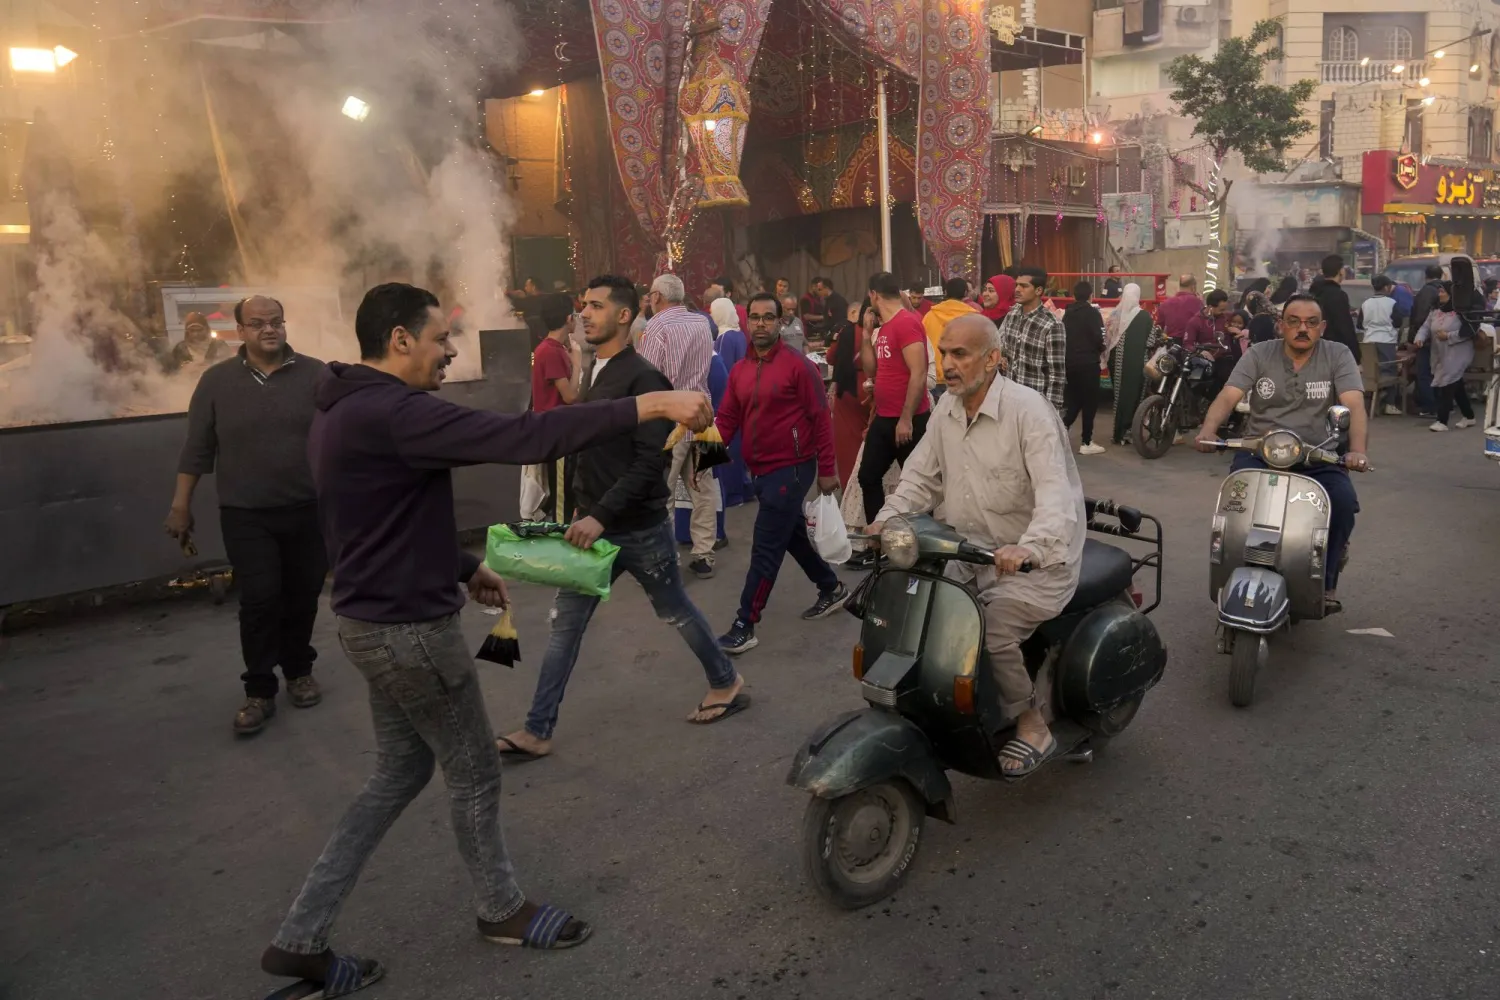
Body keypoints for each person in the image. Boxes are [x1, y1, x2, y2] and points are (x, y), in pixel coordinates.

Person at [261, 281, 713, 991]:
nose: (449, 351)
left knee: (397, 774)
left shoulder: (345, 409)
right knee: (473, 770)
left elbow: (378, 516)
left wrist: (462, 565)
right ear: (401, 339)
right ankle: (500, 907)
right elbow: (522, 437)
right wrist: (654, 404)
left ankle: (301, 935)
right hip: (409, 631)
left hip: (371, 620)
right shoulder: (391, 411)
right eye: (439, 338)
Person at [500, 275, 748, 756]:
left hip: (636, 528)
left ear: (624, 314)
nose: (585, 314)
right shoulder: (594, 370)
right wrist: (579, 503)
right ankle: (538, 729)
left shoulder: (643, 378)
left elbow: (648, 462)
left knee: (675, 610)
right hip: (593, 522)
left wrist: (601, 516)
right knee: (566, 628)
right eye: (583, 305)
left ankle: (726, 681)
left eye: (595, 305)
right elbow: (587, 445)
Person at [871, 313, 1085, 776]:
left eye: (959, 354)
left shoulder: (1029, 413)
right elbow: (918, 480)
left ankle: (1032, 725)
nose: (947, 364)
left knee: (988, 627)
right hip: (970, 555)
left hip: (1038, 565)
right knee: (916, 611)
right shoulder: (945, 410)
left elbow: (1056, 496)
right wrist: (886, 521)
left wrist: (1029, 548)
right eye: (943, 353)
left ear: (992, 360)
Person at [165, 296, 328, 736]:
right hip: (246, 512)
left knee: (302, 594)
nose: (268, 330)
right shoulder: (216, 382)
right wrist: (181, 504)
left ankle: (297, 670)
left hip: (308, 508)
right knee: (259, 597)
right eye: (257, 323)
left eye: (276, 321)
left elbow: (344, 432)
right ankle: (259, 689)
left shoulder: (317, 375)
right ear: (240, 330)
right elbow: (197, 447)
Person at [1195, 294, 1368, 611]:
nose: (1303, 329)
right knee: (1234, 506)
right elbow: (1229, 395)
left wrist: (1356, 450)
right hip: (1260, 451)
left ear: (1322, 327)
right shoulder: (1260, 354)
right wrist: (1209, 430)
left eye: (1311, 323)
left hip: (1317, 455)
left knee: (1342, 504)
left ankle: (1326, 581)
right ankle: (1230, 572)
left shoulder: (1337, 355)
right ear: (1281, 325)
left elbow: (1354, 404)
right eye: (1294, 321)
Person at [714, 293, 848, 653]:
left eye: (767, 317)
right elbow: (727, 419)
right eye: (754, 317)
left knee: (766, 547)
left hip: (792, 469)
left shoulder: (798, 366)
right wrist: (702, 461)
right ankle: (831, 587)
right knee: (790, 534)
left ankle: (746, 622)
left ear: (778, 322)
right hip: (759, 470)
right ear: (746, 322)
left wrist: (827, 471)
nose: (760, 323)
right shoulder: (740, 370)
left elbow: (821, 419)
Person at [640, 273, 720, 578]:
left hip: (669, 418)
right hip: (702, 411)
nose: (648, 300)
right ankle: (704, 553)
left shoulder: (656, 326)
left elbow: (648, 377)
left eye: (650, 295)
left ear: (658, 297)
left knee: (662, 491)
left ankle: (666, 557)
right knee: (704, 486)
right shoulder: (702, 322)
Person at [858, 271, 931, 525]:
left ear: (873, 295)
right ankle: (880, 538)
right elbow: (872, 371)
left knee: (918, 487)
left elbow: (919, 372)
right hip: (884, 417)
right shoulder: (886, 326)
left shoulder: (906, 322)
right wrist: (867, 335)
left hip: (908, 420)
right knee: (867, 476)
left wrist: (906, 418)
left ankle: (922, 550)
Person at [530, 294, 584, 520]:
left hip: (556, 429)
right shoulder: (551, 351)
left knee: (564, 492)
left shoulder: (551, 348)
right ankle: (561, 545)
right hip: (557, 432)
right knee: (562, 497)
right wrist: (578, 362)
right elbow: (570, 396)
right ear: (567, 318)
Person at [996, 266, 1066, 411]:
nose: (1017, 289)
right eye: (1016, 285)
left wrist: (1052, 411)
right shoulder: (1012, 315)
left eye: (1024, 286)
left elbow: (1057, 373)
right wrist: (1003, 357)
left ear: (1038, 290)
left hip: (1035, 404)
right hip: (1009, 399)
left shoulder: (1052, 324)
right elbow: (1005, 350)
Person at [1414, 282, 1477, 432]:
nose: (1439, 294)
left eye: (1443, 292)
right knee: (1456, 384)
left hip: (1458, 352)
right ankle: (1469, 416)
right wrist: (1420, 337)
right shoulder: (1436, 311)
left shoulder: (1462, 312)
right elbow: (1426, 327)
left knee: (1447, 385)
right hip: (1440, 353)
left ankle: (1442, 420)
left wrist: (1448, 336)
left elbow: (1469, 331)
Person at [829, 301, 872, 490]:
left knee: (848, 448)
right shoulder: (885, 331)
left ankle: (851, 492)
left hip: (848, 390)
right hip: (874, 388)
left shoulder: (846, 331)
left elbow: (831, 357)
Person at [1108, 283, 1157, 446]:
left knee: (1119, 397)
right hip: (1137, 364)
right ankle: (1129, 431)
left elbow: (1107, 338)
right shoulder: (1144, 316)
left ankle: (1117, 434)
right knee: (1135, 396)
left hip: (1116, 363)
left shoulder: (1115, 314)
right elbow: (1150, 342)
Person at [1061, 280, 1106, 455]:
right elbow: (1099, 335)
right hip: (1088, 362)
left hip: (1070, 362)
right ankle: (1086, 441)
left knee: (1074, 399)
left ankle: (1062, 429)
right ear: (1090, 296)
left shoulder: (1067, 313)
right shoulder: (1093, 313)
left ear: (1074, 295)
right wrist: (1101, 348)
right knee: (1089, 402)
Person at [1360, 275, 1407, 417]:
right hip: (1387, 341)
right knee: (1389, 370)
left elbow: (1359, 324)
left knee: (1371, 371)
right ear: (1387, 287)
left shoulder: (1365, 304)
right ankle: (1389, 404)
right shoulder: (1392, 303)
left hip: (1368, 342)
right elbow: (1398, 322)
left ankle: (1370, 401)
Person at [923, 277, 978, 396]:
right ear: (965, 293)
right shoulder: (974, 318)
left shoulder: (930, 316)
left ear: (945, 292)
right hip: (964, 376)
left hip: (936, 377)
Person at [1408, 264, 1445, 416]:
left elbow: (1420, 317)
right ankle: (1443, 404)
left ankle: (1430, 406)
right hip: (1442, 339)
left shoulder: (1426, 291)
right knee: (1439, 372)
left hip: (1427, 340)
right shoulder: (1445, 290)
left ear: (1426, 276)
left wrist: (1417, 336)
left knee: (1424, 373)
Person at [1311, 254, 1361, 362]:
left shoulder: (1314, 292)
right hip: (1334, 352)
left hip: (1314, 349)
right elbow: (1345, 327)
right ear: (1340, 271)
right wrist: (1356, 358)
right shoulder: (1337, 295)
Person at [1157, 275, 1205, 340]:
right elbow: (1204, 325)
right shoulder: (1197, 303)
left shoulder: (1165, 304)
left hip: (1171, 344)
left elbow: (1158, 328)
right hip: (1191, 344)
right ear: (1193, 287)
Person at [817, 278, 849, 348]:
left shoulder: (839, 301)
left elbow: (842, 321)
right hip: (829, 336)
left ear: (826, 288)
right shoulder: (827, 301)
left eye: (820, 289)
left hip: (836, 337)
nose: (818, 292)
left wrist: (830, 335)